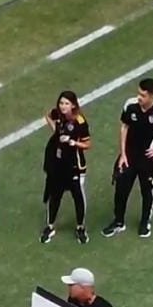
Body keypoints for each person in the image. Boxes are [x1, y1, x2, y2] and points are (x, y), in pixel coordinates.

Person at [102, 77, 153, 239]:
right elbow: (124, 127)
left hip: (147, 158)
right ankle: (118, 222)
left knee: (146, 190)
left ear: (152, 96)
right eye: (139, 94)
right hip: (129, 155)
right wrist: (122, 154)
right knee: (121, 188)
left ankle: (145, 222)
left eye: (143, 95)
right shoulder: (130, 105)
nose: (139, 97)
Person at [41, 91, 92, 244]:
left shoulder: (80, 121)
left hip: (75, 165)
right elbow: (48, 116)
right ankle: (50, 225)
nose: (63, 106)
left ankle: (80, 227)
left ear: (73, 105)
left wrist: (73, 143)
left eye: (66, 104)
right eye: (61, 103)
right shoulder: (58, 114)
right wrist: (56, 131)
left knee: (78, 197)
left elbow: (88, 144)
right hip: (59, 163)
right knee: (55, 195)